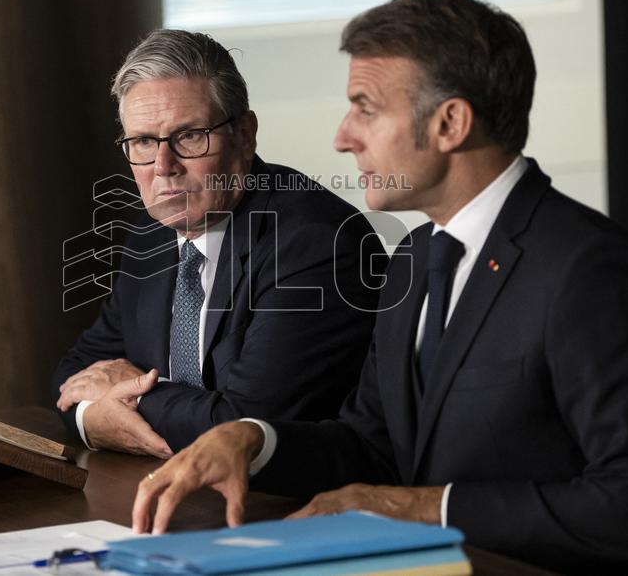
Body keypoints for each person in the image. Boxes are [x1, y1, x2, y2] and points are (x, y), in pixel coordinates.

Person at [130, 0, 628, 573]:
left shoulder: (589, 270)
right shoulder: (416, 256)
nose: (344, 137)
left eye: (366, 108)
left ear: (450, 123)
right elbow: (373, 446)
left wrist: (418, 507)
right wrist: (252, 439)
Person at [53, 29, 386, 458]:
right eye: (142, 142)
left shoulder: (317, 244)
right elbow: (76, 373)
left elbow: (245, 423)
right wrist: (89, 419)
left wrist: (119, 393)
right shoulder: (152, 233)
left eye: (189, 136)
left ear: (244, 134)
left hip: (288, 507)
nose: (163, 167)